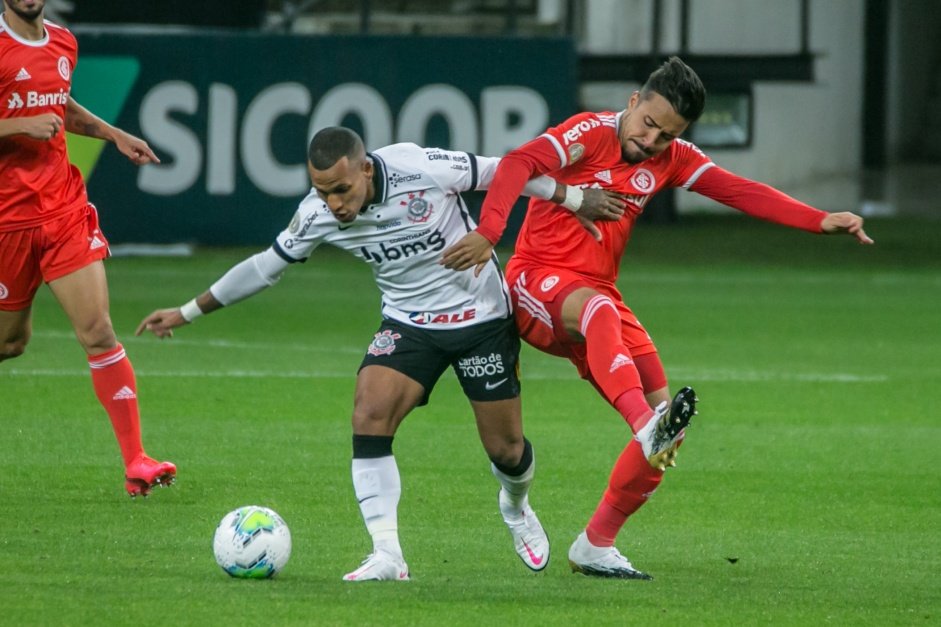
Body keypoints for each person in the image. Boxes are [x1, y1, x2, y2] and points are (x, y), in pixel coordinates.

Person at [442, 56, 874, 579]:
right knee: (640, 399)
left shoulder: (670, 158)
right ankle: (643, 427)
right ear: (633, 102)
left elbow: (738, 190)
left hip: (599, 295)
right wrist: (491, 232)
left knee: (672, 429)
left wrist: (818, 219)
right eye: (649, 124)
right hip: (538, 282)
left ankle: (596, 543)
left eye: (667, 136)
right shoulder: (588, 132)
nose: (652, 141)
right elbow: (514, 165)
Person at [135, 127, 623, 581]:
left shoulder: (420, 167)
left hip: (480, 318)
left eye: (341, 189)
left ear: (365, 168)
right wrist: (186, 311)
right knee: (369, 413)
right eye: (323, 191)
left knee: (507, 450)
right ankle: (388, 553)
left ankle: (515, 506)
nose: (334, 203)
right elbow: (265, 267)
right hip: (408, 325)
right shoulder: (315, 214)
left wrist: (574, 197)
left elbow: (507, 170)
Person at [0, 0, 176, 497]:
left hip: (62, 209)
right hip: (7, 223)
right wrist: (17, 126)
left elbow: (60, 104)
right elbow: (31, 117)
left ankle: (136, 461)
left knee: (98, 330)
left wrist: (112, 133)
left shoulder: (63, 42)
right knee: (10, 343)